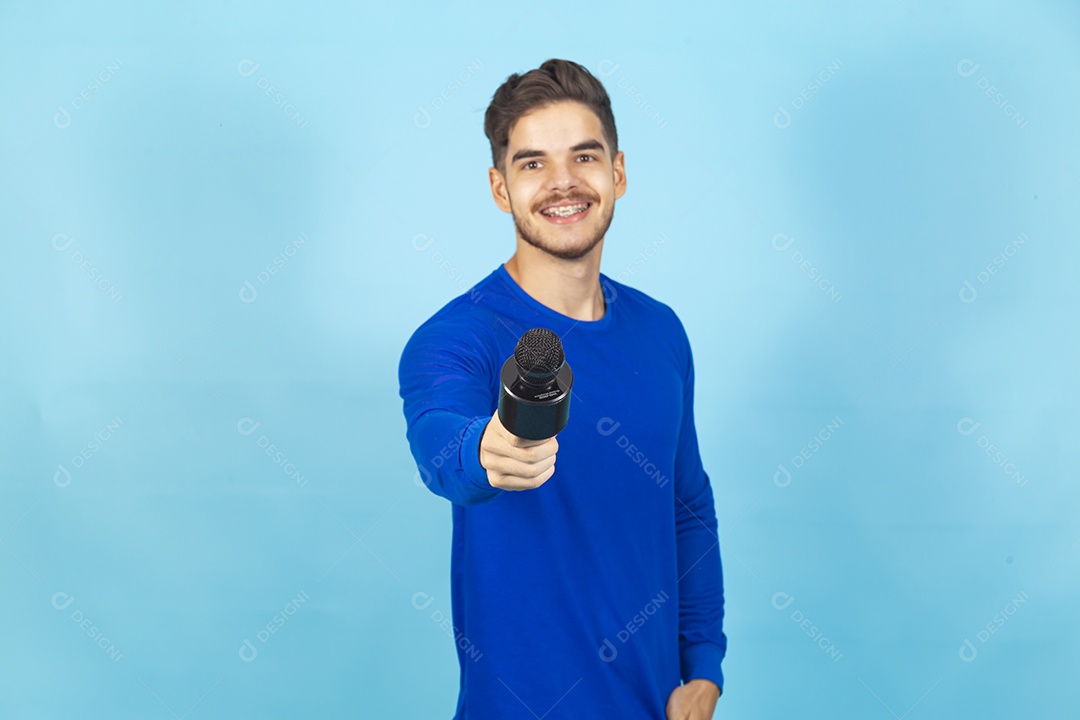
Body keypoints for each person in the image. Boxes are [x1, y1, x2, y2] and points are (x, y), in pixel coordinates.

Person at [398, 58, 726, 719]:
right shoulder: (457, 336)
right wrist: (483, 452)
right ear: (499, 188)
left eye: (583, 156)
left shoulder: (662, 332)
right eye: (532, 164)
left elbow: (686, 505)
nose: (563, 183)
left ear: (618, 172)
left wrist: (704, 665)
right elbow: (442, 442)